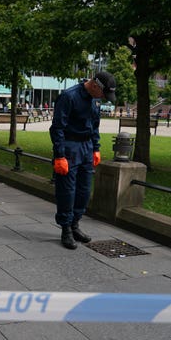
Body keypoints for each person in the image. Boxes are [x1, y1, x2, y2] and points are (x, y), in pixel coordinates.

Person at [49, 71, 116, 249]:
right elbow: (57, 128)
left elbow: (94, 125)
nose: (104, 98)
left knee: (84, 191)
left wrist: (96, 148)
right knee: (67, 191)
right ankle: (66, 229)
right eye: (103, 93)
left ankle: (75, 224)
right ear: (95, 85)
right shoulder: (68, 97)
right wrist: (60, 155)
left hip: (86, 148)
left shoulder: (94, 99)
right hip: (70, 147)